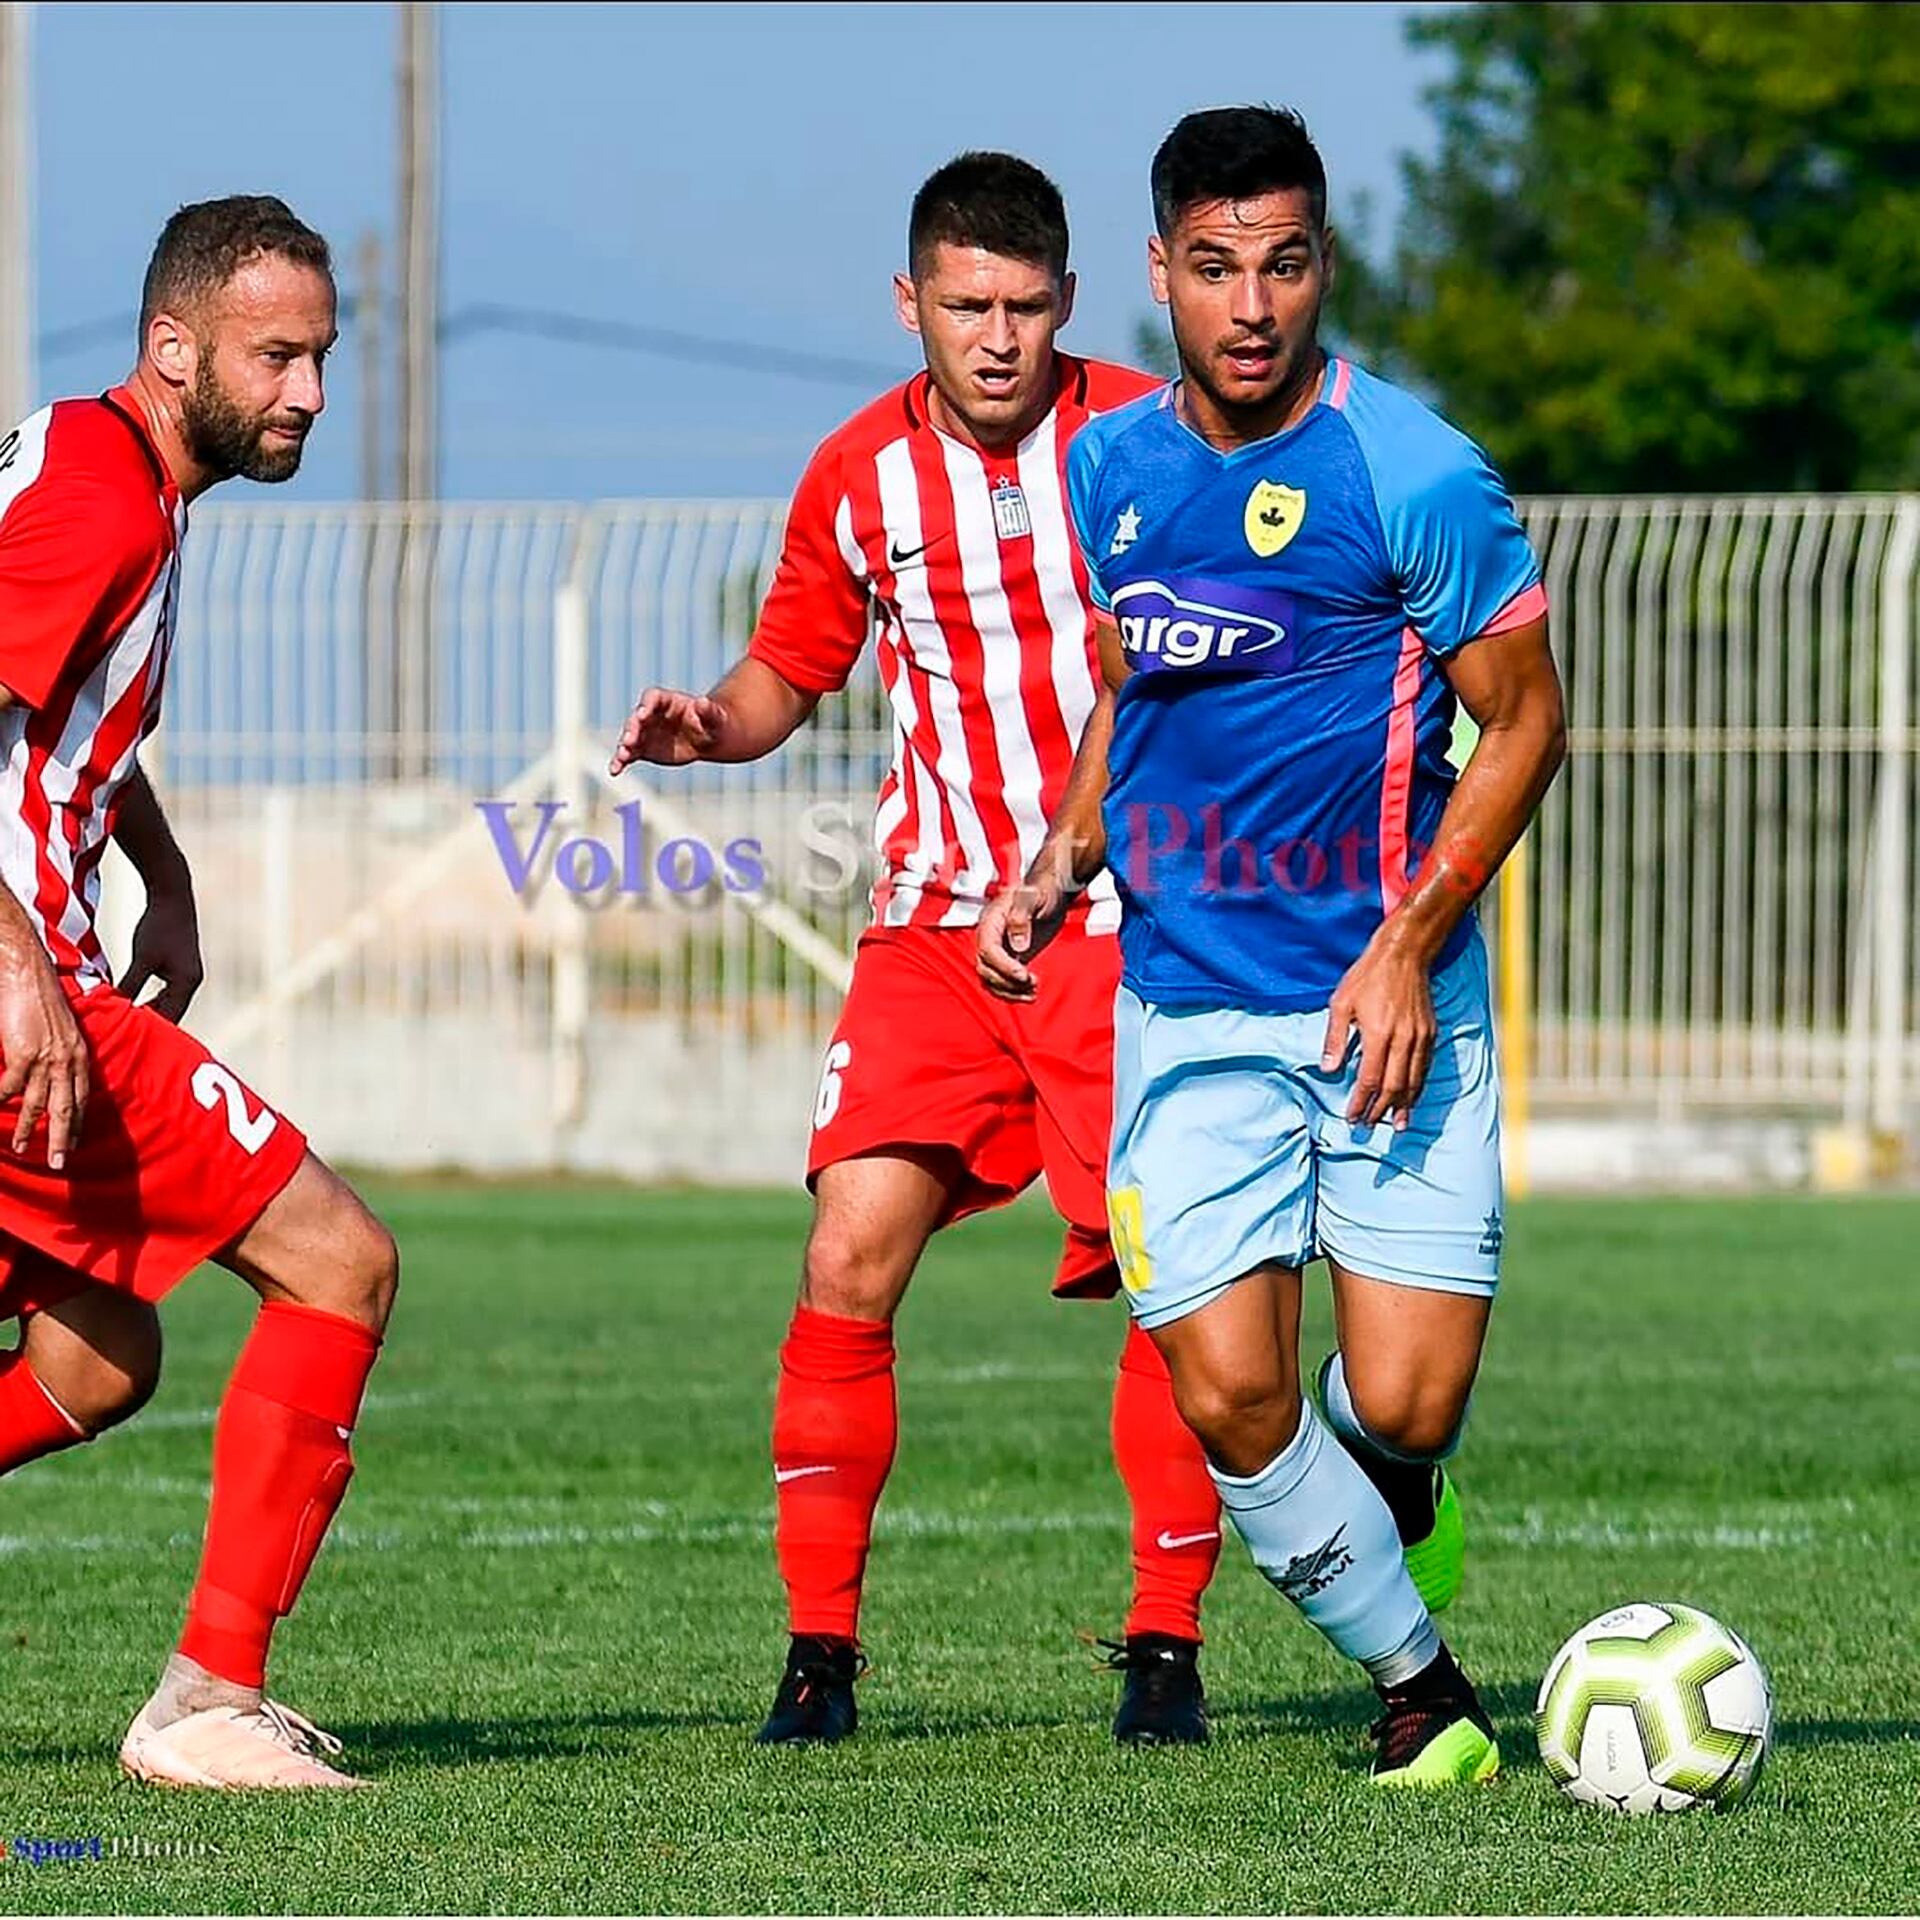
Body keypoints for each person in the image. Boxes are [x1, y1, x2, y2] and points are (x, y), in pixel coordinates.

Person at [979, 106, 1567, 1785]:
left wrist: (1409, 944)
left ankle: (1398, 1493)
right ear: (1161, 272)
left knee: (1407, 1407)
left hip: (1390, 1001)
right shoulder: (1105, 468)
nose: (1252, 305)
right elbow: (1137, 691)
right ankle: (1424, 1693)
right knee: (1232, 1396)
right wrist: (1062, 855)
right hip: (1184, 1010)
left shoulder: (1415, 471)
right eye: (1216, 267)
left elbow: (1526, 721)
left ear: (1324, 269)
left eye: (1285, 265)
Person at [610, 153, 1223, 1747]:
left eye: (1023, 307)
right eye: (966, 307)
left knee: (1173, 1282)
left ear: (1071, 301)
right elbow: (786, 669)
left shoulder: (1153, 443)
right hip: (934, 934)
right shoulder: (854, 475)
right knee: (846, 1254)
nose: (997, 338)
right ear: (911, 304)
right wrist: (708, 726)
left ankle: (1164, 1647)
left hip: (1126, 929)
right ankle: (819, 1658)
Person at [0, 197, 399, 1790]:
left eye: (322, 357)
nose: (309, 393)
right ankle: (208, 1700)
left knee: (98, 1355)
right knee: (339, 1263)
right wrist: (21, 962)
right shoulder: (102, 505)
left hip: (50, 974)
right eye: (275, 357)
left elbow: (58, 714)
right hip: (28, 1005)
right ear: (175, 350)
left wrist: (156, 869)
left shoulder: (98, 464)